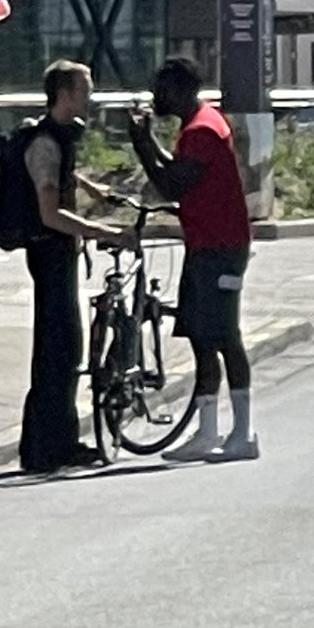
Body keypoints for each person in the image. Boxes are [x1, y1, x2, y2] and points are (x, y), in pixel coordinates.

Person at [128, 57, 258, 464]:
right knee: (202, 335)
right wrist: (151, 145)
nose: (155, 97)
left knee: (224, 335)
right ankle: (207, 431)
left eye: (161, 89)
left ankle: (242, 432)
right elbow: (179, 171)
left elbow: (171, 183)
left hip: (221, 246)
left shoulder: (202, 129)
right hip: (205, 244)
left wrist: (142, 142)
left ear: (182, 90)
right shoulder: (200, 125)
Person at [19, 60, 136, 473]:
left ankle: (59, 442)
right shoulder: (46, 143)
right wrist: (107, 233)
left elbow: (64, 176)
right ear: (66, 94)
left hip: (61, 252)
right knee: (58, 349)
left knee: (66, 348)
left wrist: (91, 188)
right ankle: (44, 449)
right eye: (85, 89)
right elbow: (50, 212)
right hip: (49, 252)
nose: (90, 96)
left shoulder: (59, 139)